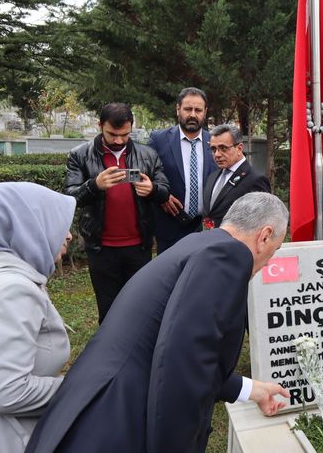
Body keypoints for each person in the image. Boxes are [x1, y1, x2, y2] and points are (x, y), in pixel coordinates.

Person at [26, 192, 291, 453]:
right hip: (121, 422)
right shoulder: (230, 255)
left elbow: (175, 345)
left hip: (94, 409)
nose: (269, 262)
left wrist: (250, 389)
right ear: (264, 236)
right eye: (275, 250)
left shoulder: (197, 244)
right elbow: (184, 365)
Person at [64, 102, 170, 323]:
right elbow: (69, 198)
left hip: (138, 246)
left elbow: (164, 192)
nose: (119, 140)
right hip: (101, 248)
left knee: (141, 306)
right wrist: (94, 185)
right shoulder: (80, 155)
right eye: (112, 134)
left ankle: (139, 352)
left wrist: (152, 190)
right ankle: (109, 353)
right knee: (108, 308)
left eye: (125, 134)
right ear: (100, 125)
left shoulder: (148, 155)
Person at [0, 183, 75, 453]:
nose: (69, 235)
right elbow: (6, 392)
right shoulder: (12, 289)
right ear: (29, 227)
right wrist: (80, 388)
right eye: (56, 223)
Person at [148, 87, 218, 252]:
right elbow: (145, 174)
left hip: (206, 229)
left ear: (205, 112)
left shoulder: (214, 142)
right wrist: (160, 194)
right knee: (171, 276)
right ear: (178, 109)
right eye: (187, 109)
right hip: (170, 227)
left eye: (198, 110)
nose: (193, 114)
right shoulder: (159, 140)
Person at [202, 124, 270, 228]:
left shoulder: (255, 179)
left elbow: (261, 222)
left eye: (223, 148)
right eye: (213, 149)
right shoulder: (212, 177)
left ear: (239, 148)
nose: (217, 154)